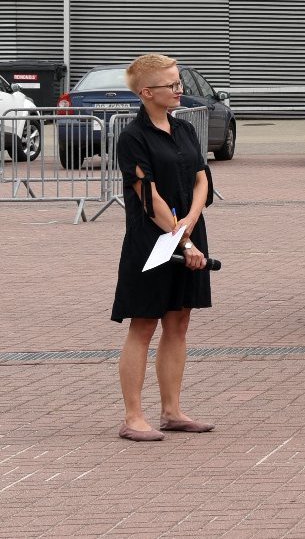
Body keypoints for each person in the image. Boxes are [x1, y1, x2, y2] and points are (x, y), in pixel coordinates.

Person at [111, 53, 215, 442]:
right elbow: (148, 196)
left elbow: (202, 178)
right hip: (152, 242)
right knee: (144, 324)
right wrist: (181, 237)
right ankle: (133, 417)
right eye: (171, 84)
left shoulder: (184, 129)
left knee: (179, 321)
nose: (179, 89)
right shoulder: (132, 138)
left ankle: (172, 411)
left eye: (179, 82)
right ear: (147, 92)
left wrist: (190, 221)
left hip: (188, 234)